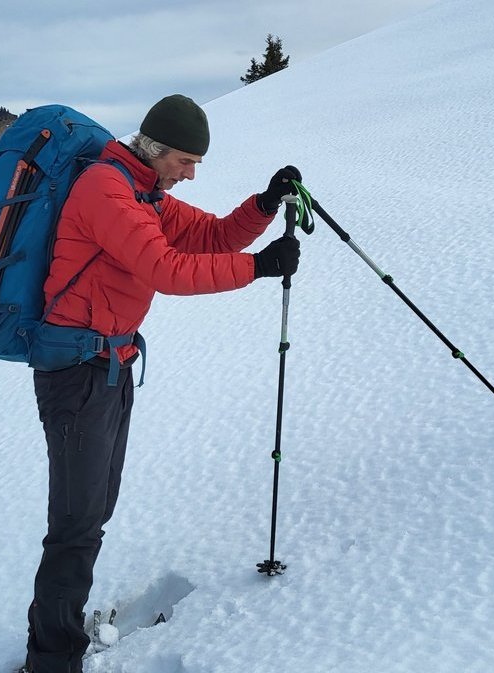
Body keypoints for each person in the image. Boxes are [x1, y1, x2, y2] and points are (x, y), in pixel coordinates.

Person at [24, 94, 301, 673]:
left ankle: (61, 637)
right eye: (185, 160)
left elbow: (214, 236)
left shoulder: (146, 193)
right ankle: (51, 660)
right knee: (75, 523)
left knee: (95, 510)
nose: (191, 174)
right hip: (75, 372)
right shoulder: (107, 191)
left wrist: (265, 204)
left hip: (110, 366)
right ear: (153, 149)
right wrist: (260, 268)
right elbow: (167, 271)